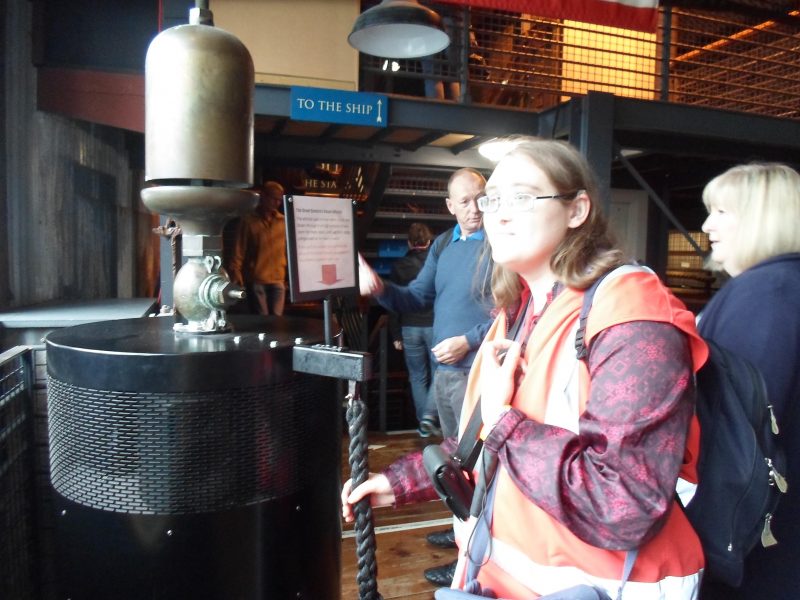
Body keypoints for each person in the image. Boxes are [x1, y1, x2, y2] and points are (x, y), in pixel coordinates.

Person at [344, 138, 708, 598]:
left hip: (608, 585)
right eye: (492, 199)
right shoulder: (520, 313)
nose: (498, 213)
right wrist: (399, 482)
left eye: (521, 197)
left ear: (577, 210)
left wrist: (504, 423)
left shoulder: (632, 320)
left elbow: (622, 506)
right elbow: (483, 443)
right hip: (509, 579)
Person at [358, 167, 494, 586]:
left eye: (482, 198)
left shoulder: (499, 242)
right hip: (448, 371)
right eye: (466, 201)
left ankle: (474, 557)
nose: (476, 209)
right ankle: (460, 534)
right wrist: (380, 288)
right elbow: (417, 296)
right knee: (458, 465)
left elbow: (515, 309)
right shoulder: (443, 244)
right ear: (450, 207)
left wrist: (469, 341)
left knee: (484, 466)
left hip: (481, 369)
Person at [696, 163, 800, 600]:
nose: (706, 225)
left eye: (721, 211)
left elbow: (740, 433)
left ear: (764, 217)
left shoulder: (765, 294)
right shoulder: (782, 286)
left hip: (760, 545)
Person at [388, 222, 440, 437]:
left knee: (417, 377)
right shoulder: (437, 264)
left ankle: (423, 425)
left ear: (409, 243)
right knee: (440, 373)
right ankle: (432, 418)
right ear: (429, 241)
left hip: (409, 327)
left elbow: (393, 302)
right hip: (436, 326)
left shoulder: (399, 266)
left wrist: (395, 333)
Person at [228, 181, 288, 316]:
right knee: (262, 318)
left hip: (278, 277)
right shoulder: (249, 221)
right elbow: (239, 248)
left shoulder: (283, 221)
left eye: (279, 199)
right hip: (257, 278)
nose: (277, 203)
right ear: (264, 196)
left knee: (277, 320)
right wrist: (235, 271)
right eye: (274, 198)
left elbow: (288, 250)